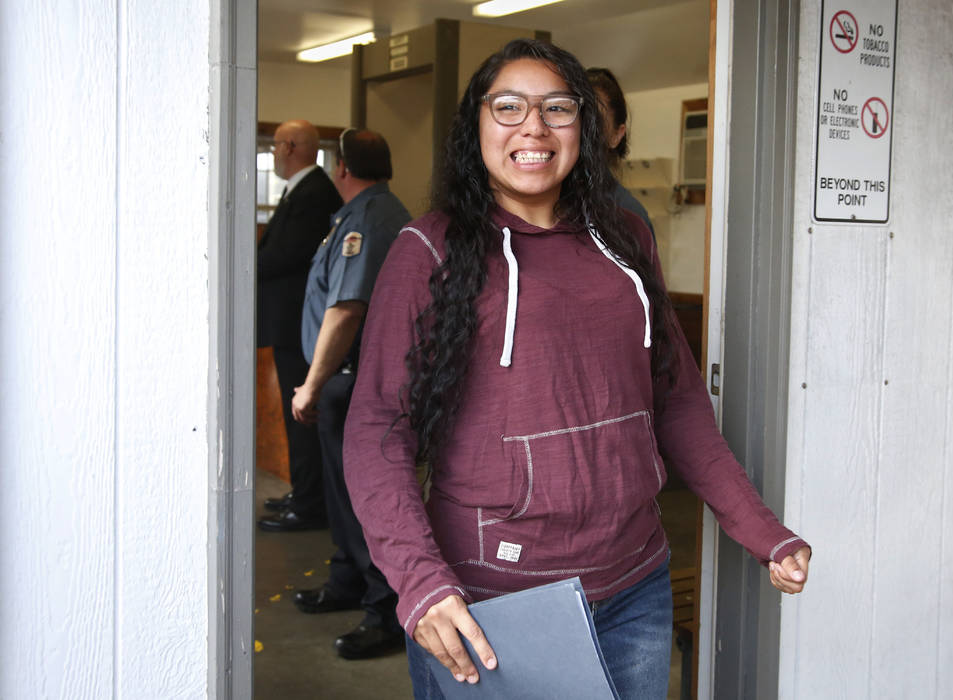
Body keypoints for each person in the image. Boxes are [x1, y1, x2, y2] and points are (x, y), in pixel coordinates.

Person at [344, 39, 811, 699]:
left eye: (557, 108)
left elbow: (675, 401)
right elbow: (376, 426)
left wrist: (760, 528)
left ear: (584, 129)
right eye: (508, 107)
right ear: (475, 124)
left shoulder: (623, 236)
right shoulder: (428, 250)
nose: (533, 126)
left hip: (635, 584)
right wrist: (419, 581)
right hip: (493, 601)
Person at [289, 129, 411, 658]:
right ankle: (347, 582)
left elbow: (346, 309)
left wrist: (312, 384)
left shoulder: (368, 220)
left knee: (365, 501)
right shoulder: (366, 211)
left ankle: (384, 611)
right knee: (343, 498)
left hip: (355, 381)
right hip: (346, 380)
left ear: (343, 168)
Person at [257, 119, 342, 532]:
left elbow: (289, 255)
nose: (273, 153)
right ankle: (303, 490)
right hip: (288, 323)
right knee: (296, 417)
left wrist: (242, 262)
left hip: (299, 325)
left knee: (303, 414)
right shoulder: (302, 191)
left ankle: (310, 503)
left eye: (275, 146)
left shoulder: (314, 194)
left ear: (291, 147)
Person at [586, 66, 655, 236]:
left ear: (616, 135)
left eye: (596, 121)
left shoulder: (629, 217)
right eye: (575, 115)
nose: (583, 131)